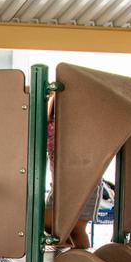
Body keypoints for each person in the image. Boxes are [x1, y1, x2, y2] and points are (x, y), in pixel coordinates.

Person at [42, 90, 97, 250]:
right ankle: (74, 256)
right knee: (51, 224)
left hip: (84, 185)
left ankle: (81, 259)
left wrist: (52, 96)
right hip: (61, 186)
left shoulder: (75, 128)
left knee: (76, 229)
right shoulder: (52, 127)